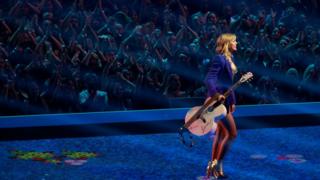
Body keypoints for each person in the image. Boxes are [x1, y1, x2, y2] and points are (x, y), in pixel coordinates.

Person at [204, 33, 238, 178]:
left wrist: (233, 101)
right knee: (232, 134)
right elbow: (209, 79)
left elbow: (229, 84)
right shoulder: (219, 59)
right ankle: (217, 164)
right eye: (234, 41)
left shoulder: (230, 58)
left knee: (221, 133)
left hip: (226, 102)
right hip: (218, 102)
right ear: (227, 43)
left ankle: (213, 167)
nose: (237, 43)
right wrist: (215, 94)